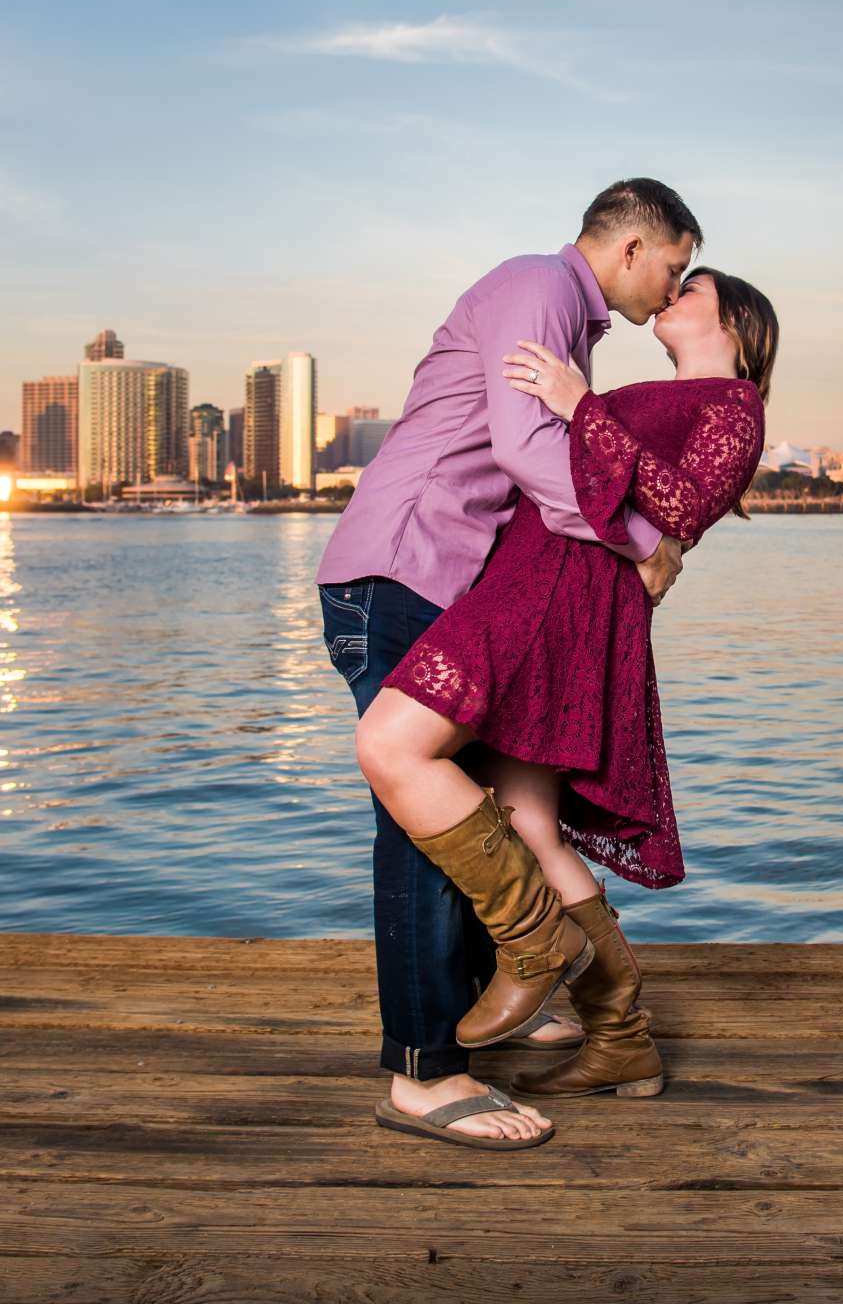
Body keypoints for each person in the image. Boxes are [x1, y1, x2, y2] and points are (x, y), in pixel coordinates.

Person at [354, 265, 776, 1149]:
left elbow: (681, 505)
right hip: (533, 584)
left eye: (690, 287)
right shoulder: (646, 391)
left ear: (735, 322)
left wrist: (582, 405)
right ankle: (621, 1038)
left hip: (558, 598)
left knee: (394, 743)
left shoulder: (734, 405)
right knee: (529, 823)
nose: (672, 295)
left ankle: (536, 945)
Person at [316, 178, 698, 1149]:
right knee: (415, 816)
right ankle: (421, 1074)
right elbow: (533, 455)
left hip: (444, 586)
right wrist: (638, 536)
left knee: (459, 810)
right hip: (400, 572)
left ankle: (486, 1002)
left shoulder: (567, 325)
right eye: (674, 267)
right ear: (633, 245)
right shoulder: (537, 288)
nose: (672, 290)